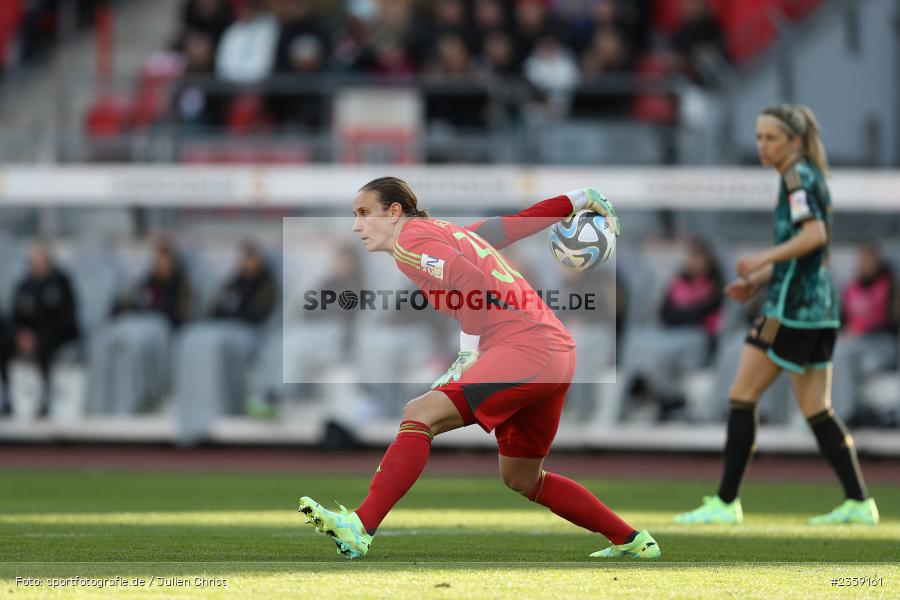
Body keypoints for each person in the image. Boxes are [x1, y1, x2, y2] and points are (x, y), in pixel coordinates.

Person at [300, 177, 661, 561]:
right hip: (554, 351)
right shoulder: (446, 232)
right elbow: (513, 225)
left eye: (363, 213)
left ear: (394, 212)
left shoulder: (410, 240)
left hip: (525, 349)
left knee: (419, 414)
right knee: (521, 478)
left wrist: (467, 353)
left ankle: (360, 525)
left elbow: (469, 281)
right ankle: (632, 540)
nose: (356, 225)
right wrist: (576, 199)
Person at [674, 105, 879, 526]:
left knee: (741, 397)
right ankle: (859, 501)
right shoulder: (810, 177)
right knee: (816, 408)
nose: (762, 146)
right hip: (820, 308)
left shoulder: (795, 177)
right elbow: (808, 250)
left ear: (795, 142)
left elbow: (813, 236)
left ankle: (726, 503)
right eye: (758, 137)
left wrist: (763, 258)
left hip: (791, 309)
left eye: (770, 138)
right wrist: (761, 276)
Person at [11, 243, 79, 418]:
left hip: (58, 335)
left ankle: (45, 397)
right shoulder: (25, 285)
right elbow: (16, 315)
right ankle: (7, 396)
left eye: (40, 261)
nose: (37, 265)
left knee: (44, 343)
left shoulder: (61, 283)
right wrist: (21, 335)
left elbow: (66, 318)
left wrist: (37, 337)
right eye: (33, 262)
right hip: (29, 336)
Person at [832, 245, 897, 424]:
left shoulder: (889, 286)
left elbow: (892, 323)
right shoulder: (852, 288)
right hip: (855, 343)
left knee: (844, 353)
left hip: (881, 343)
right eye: (862, 260)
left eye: (869, 260)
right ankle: (833, 411)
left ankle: (846, 413)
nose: (865, 264)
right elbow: (842, 320)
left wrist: (864, 332)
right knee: (836, 350)